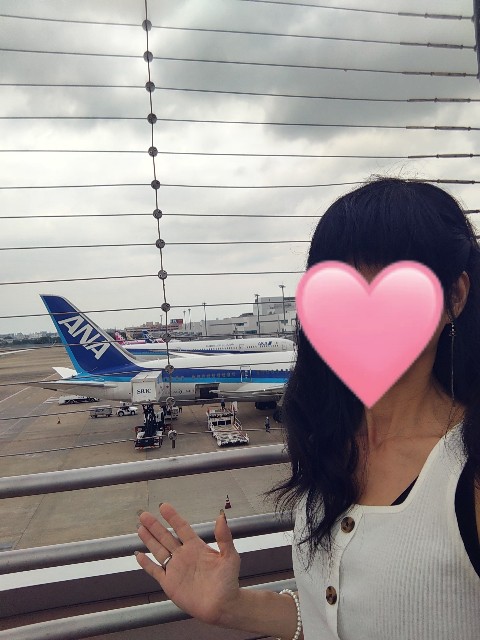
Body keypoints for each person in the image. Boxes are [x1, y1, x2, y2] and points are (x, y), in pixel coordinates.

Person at [136, 178, 480, 640]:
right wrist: (233, 607)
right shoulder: (332, 445)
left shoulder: (467, 471)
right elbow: (335, 614)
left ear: (454, 297)